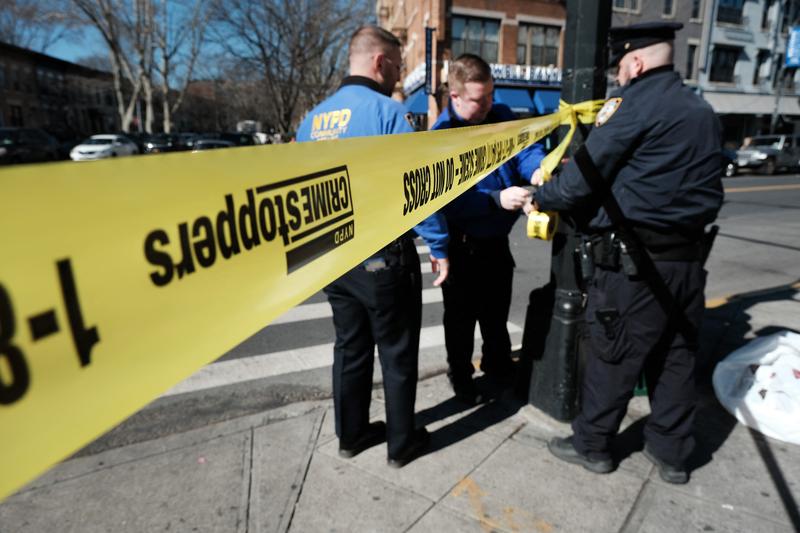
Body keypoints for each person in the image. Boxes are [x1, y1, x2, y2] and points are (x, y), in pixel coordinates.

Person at [528, 22, 724, 484]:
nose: (618, 75)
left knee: (612, 356)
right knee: (676, 358)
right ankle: (672, 453)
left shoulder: (633, 103)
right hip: (688, 262)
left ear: (634, 62)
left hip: (634, 266)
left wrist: (544, 196)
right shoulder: (702, 109)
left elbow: (582, 179)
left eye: (620, 66)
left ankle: (592, 444)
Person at [295, 26, 449, 468]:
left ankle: (352, 434)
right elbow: (415, 186)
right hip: (381, 256)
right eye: (398, 67)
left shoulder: (313, 120)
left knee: (350, 347)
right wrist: (438, 244)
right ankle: (402, 444)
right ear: (380, 63)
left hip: (333, 256)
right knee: (397, 351)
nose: (399, 78)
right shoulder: (388, 113)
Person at [431, 54, 546, 404]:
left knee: (496, 313)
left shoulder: (501, 116)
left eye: (492, 95)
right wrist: (496, 199)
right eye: (480, 100)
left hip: (496, 240)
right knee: (461, 321)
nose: (488, 105)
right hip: (462, 244)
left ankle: (497, 365)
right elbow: (444, 200)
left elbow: (525, 150)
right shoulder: (441, 137)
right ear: (455, 97)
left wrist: (538, 168)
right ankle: (462, 376)